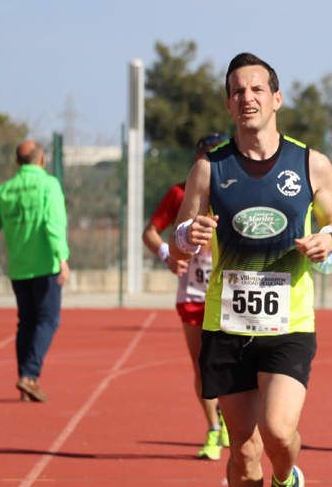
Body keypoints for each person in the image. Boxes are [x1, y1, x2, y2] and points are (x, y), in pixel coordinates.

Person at [170, 52, 332, 487]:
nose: (247, 97)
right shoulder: (209, 169)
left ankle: (287, 477)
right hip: (228, 324)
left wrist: (330, 240)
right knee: (244, 451)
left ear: (276, 98)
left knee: (278, 432)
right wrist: (187, 236)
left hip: (289, 323)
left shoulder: (311, 164)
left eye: (256, 89)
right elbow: (181, 233)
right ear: (228, 104)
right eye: (237, 92)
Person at [142, 133, 229, 460]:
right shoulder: (180, 193)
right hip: (193, 291)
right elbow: (150, 232)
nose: (209, 165)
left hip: (233, 293)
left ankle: (232, 420)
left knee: (234, 365)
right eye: (204, 158)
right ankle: (213, 430)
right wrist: (167, 254)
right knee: (203, 366)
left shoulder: (240, 191)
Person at [0, 140, 70, 403]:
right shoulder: (49, 185)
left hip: (19, 269)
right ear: (42, 159)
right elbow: (52, 223)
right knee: (48, 321)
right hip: (46, 266)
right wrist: (62, 257)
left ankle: (26, 377)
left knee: (27, 322)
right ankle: (30, 375)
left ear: (17, 162)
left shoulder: (5, 191)